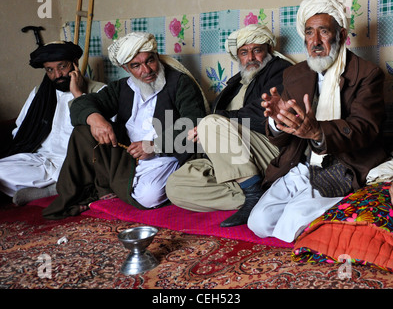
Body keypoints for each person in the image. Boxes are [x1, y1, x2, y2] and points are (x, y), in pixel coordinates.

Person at [247, 0, 389, 243]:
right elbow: (282, 140)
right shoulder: (295, 73)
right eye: (309, 32)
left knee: (290, 222)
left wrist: (317, 133)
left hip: (343, 165)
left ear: (342, 36)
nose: (315, 41)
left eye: (324, 31)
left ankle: (343, 207)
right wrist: (277, 119)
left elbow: (365, 128)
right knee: (259, 222)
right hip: (302, 165)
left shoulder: (367, 74)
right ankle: (320, 210)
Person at [42, 31, 207, 219]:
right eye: (136, 65)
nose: (146, 70)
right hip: (127, 153)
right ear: (126, 68)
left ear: (157, 57)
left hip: (165, 155)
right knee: (84, 130)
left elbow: (194, 124)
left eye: (150, 61)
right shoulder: (121, 87)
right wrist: (95, 118)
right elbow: (83, 105)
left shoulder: (180, 84)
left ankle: (105, 186)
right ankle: (101, 186)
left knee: (148, 197)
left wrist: (154, 146)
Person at [166, 24, 294, 227]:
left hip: (267, 148)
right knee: (175, 186)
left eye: (257, 50)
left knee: (210, 122)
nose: (250, 57)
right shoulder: (237, 83)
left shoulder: (281, 71)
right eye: (244, 52)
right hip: (235, 159)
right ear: (238, 57)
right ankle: (264, 195)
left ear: (268, 51)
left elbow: (266, 113)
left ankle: (252, 194)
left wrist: (215, 123)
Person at [0, 41, 105, 205]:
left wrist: (78, 95)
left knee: (91, 173)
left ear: (75, 64)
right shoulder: (40, 93)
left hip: (75, 163)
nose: (57, 75)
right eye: (50, 70)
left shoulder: (98, 91)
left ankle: (59, 187)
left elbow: (103, 136)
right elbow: (21, 129)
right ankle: (56, 188)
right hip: (41, 160)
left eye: (62, 67)